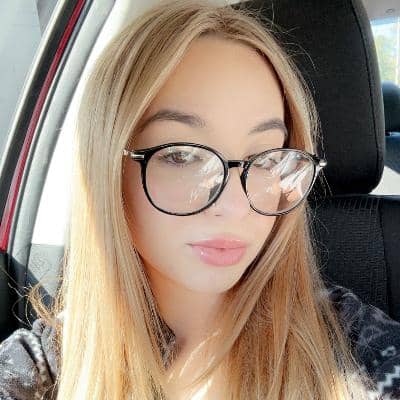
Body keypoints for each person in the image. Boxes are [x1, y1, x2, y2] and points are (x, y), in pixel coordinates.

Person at [0, 0, 399, 399]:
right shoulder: (49, 361)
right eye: (181, 155)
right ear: (107, 167)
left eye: (266, 159)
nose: (236, 207)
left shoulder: (353, 347)